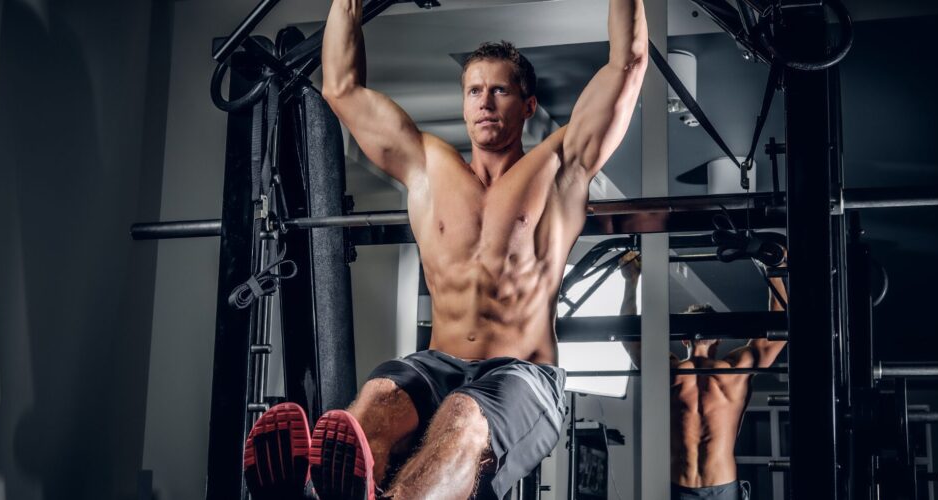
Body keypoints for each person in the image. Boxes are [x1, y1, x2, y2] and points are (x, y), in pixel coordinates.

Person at [243, 1, 650, 499]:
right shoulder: (426, 165)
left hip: (523, 374)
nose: (485, 102)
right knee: (376, 401)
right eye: (475, 90)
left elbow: (627, 64)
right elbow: (342, 89)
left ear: (527, 105)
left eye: (500, 90)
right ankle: (311, 490)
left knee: (462, 417)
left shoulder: (561, 165)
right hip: (438, 361)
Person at [618, 250, 788, 500]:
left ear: (684, 338)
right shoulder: (734, 374)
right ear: (718, 337)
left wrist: (630, 280)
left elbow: (630, 338)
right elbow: (778, 332)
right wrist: (773, 271)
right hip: (720, 486)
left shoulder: (670, 374)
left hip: (680, 486)